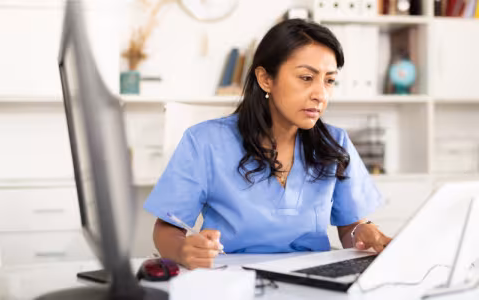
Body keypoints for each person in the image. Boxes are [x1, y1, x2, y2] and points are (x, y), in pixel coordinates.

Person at [144, 19, 392, 270]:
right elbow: (167, 227)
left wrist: (362, 233)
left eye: (329, 80)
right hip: (231, 280)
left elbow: (349, 228)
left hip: (312, 280)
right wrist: (182, 250)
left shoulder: (335, 143)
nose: (321, 94)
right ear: (265, 79)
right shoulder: (205, 142)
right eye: (306, 77)